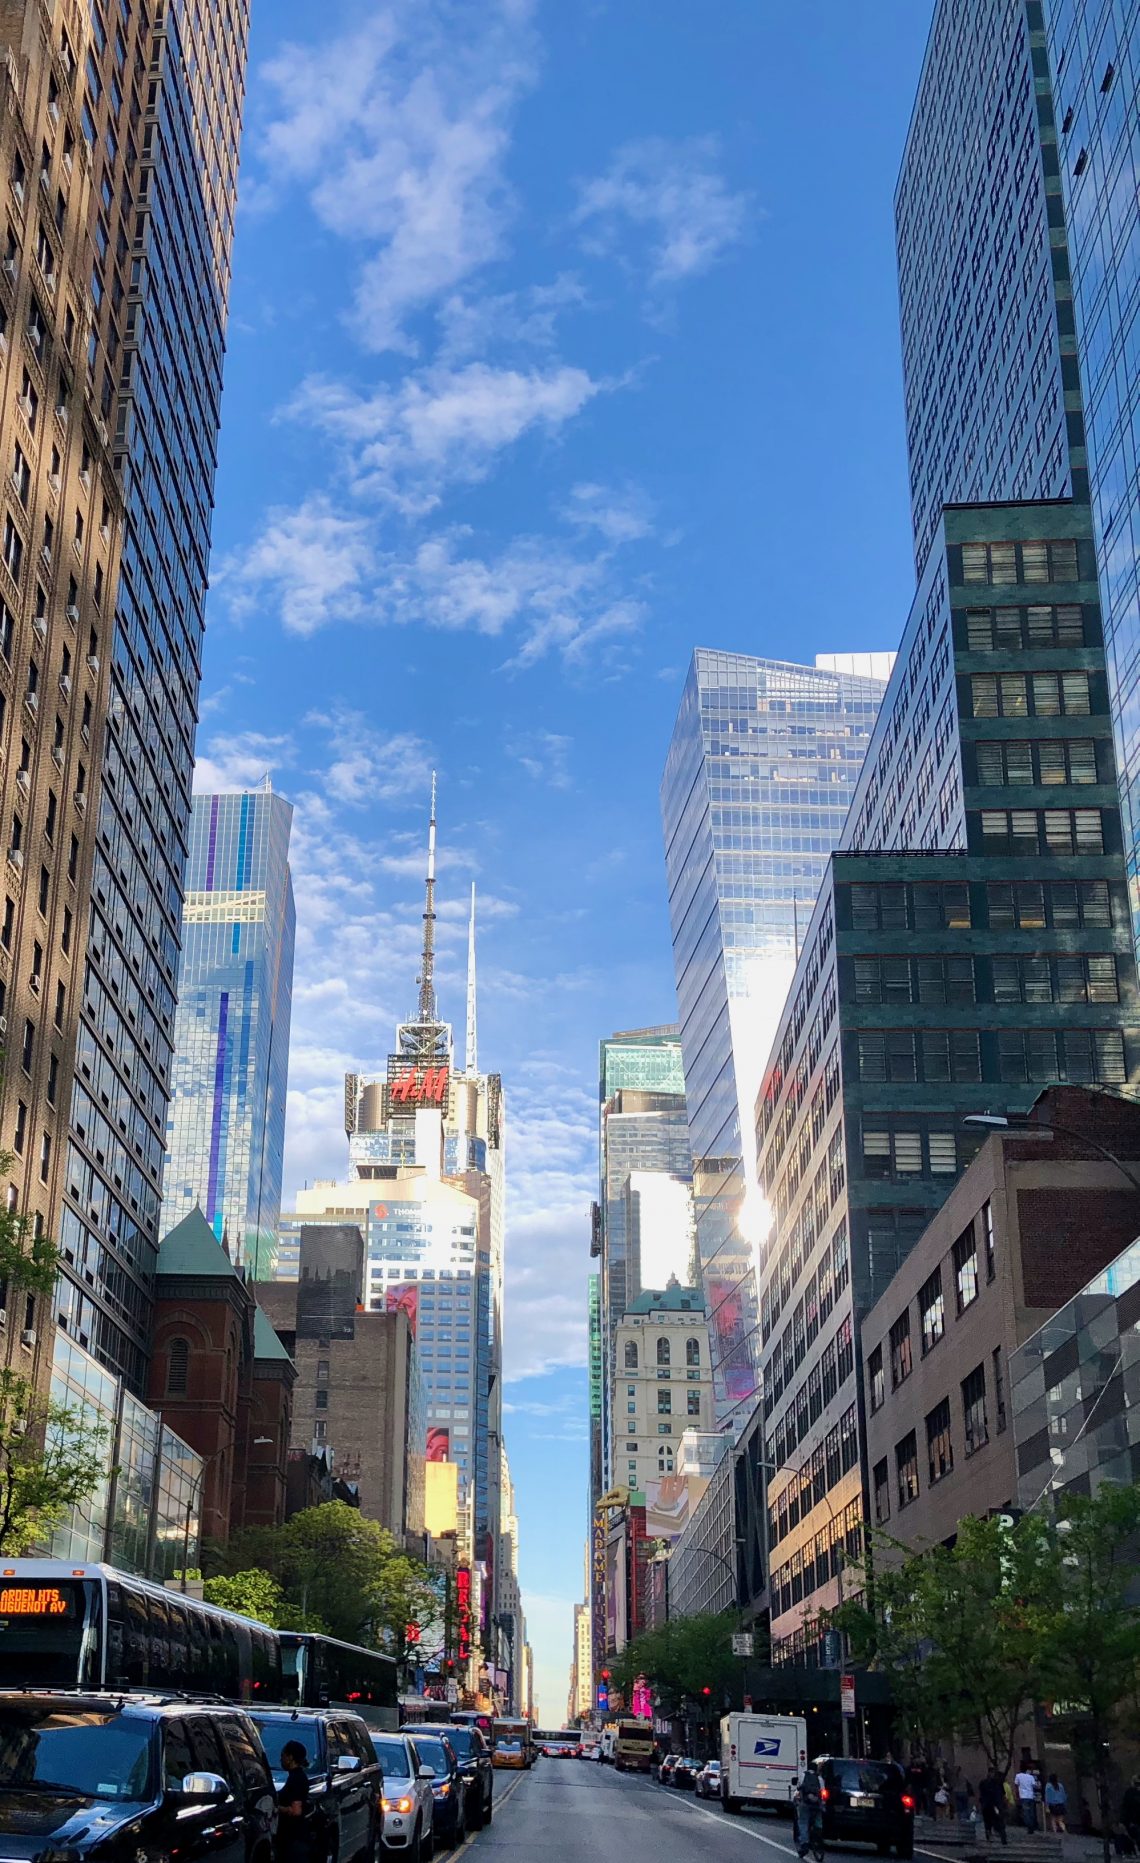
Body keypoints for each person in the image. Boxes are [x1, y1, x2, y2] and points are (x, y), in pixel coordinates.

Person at [276, 1741, 312, 1862]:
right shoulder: (296, 1777)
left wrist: (276, 1808)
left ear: (290, 1757)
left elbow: (296, 1811)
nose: (281, 1759)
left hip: (293, 1837)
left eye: (283, 1755)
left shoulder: (296, 1779)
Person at [795, 1761, 824, 1859]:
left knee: (803, 1822)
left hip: (806, 1803)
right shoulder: (819, 1778)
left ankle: (804, 1843)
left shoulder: (803, 1775)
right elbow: (823, 1792)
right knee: (818, 1820)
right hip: (817, 1804)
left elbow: (798, 1787)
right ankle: (818, 1836)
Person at [979, 1769, 1009, 1847]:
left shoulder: (996, 1783)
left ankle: (999, 1837)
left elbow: (1002, 1794)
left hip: (991, 1805)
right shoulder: (995, 1783)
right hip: (991, 1805)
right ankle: (998, 1837)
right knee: (993, 1821)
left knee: (995, 1821)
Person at [1014, 1762, 1038, 1833]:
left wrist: (1017, 1795)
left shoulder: (1018, 1776)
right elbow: (1034, 1786)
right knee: (1031, 1812)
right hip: (1031, 1796)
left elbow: (1016, 1785)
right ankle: (1033, 1825)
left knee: (1026, 1812)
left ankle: (1029, 1826)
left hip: (1023, 1796)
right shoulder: (1031, 1777)